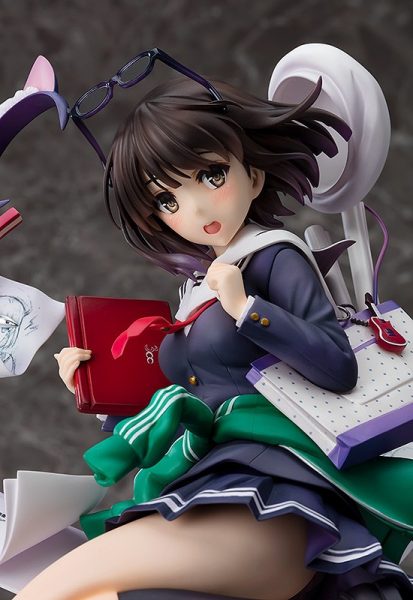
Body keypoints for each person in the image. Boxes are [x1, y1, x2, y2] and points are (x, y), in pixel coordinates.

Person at [16, 71, 413, 600]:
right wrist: (97, 390)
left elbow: (339, 367)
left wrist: (248, 310)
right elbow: (187, 399)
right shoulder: (198, 287)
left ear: (253, 172)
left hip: (271, 487)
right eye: (167, 201)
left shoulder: (273, 255)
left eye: (210, 175)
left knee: (58, 587)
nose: (196, 211)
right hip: (206, 479)